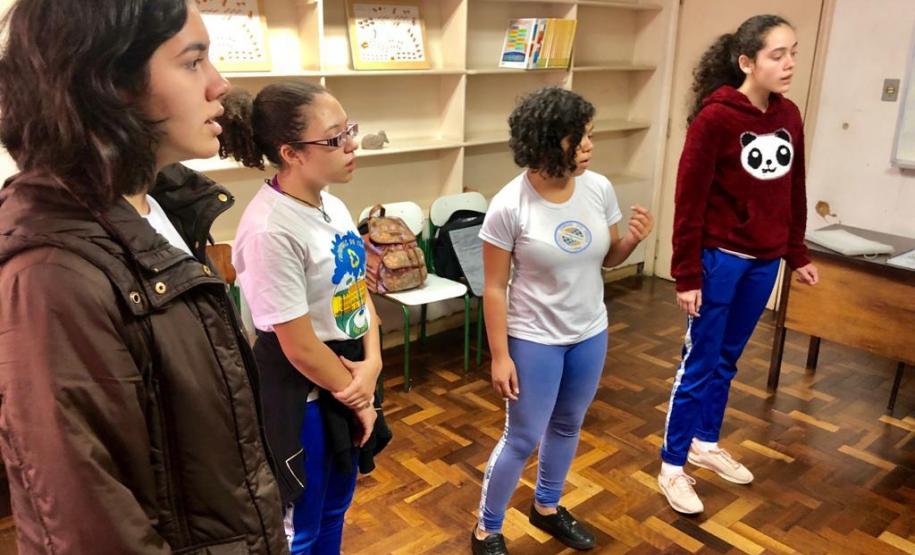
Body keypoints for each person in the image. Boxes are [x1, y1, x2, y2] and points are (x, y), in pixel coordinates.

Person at [0, 1, 288, 553]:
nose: (220, 85)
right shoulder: (54, 276)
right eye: (193, 62)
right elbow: (92, 525)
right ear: (109, 80)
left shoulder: (159, 206)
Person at [471, 87, 654, 555]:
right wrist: (500, 356)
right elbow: (494, 287)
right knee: (522, 437)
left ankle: (547, 507)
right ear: (549, 142)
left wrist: (631, 241)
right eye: (580, 137)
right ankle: (487, 529)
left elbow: (607, 258)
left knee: (569, 424)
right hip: (534, 338)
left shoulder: (598, 188)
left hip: (589, 331)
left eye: (590, 134)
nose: (590, 145)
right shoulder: (509, 205)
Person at [219, 81, 390, 554]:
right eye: (335, 138)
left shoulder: (331, 202)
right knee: (303, 527)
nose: (352, 144)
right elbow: (298, 345)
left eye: (349, 130)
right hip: (307, 395)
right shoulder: (270, 230)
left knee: (336, 508)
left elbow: (356, 290)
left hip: (349, 376)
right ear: (290, 153)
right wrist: (359, 398)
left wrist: (373, 364)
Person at [659, 14, 819, 515]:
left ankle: (705, 442)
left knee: (727, 360)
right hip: (719, 261)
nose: (789, 63)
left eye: (793, 52)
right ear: (747, 62)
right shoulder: (715, 119)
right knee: (699, 362)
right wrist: (687, 274)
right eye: (777, 55)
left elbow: (793, 188)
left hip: (764, 262)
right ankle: (672, 466)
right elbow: (688, 203)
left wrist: (796, 252)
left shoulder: (789, 115)